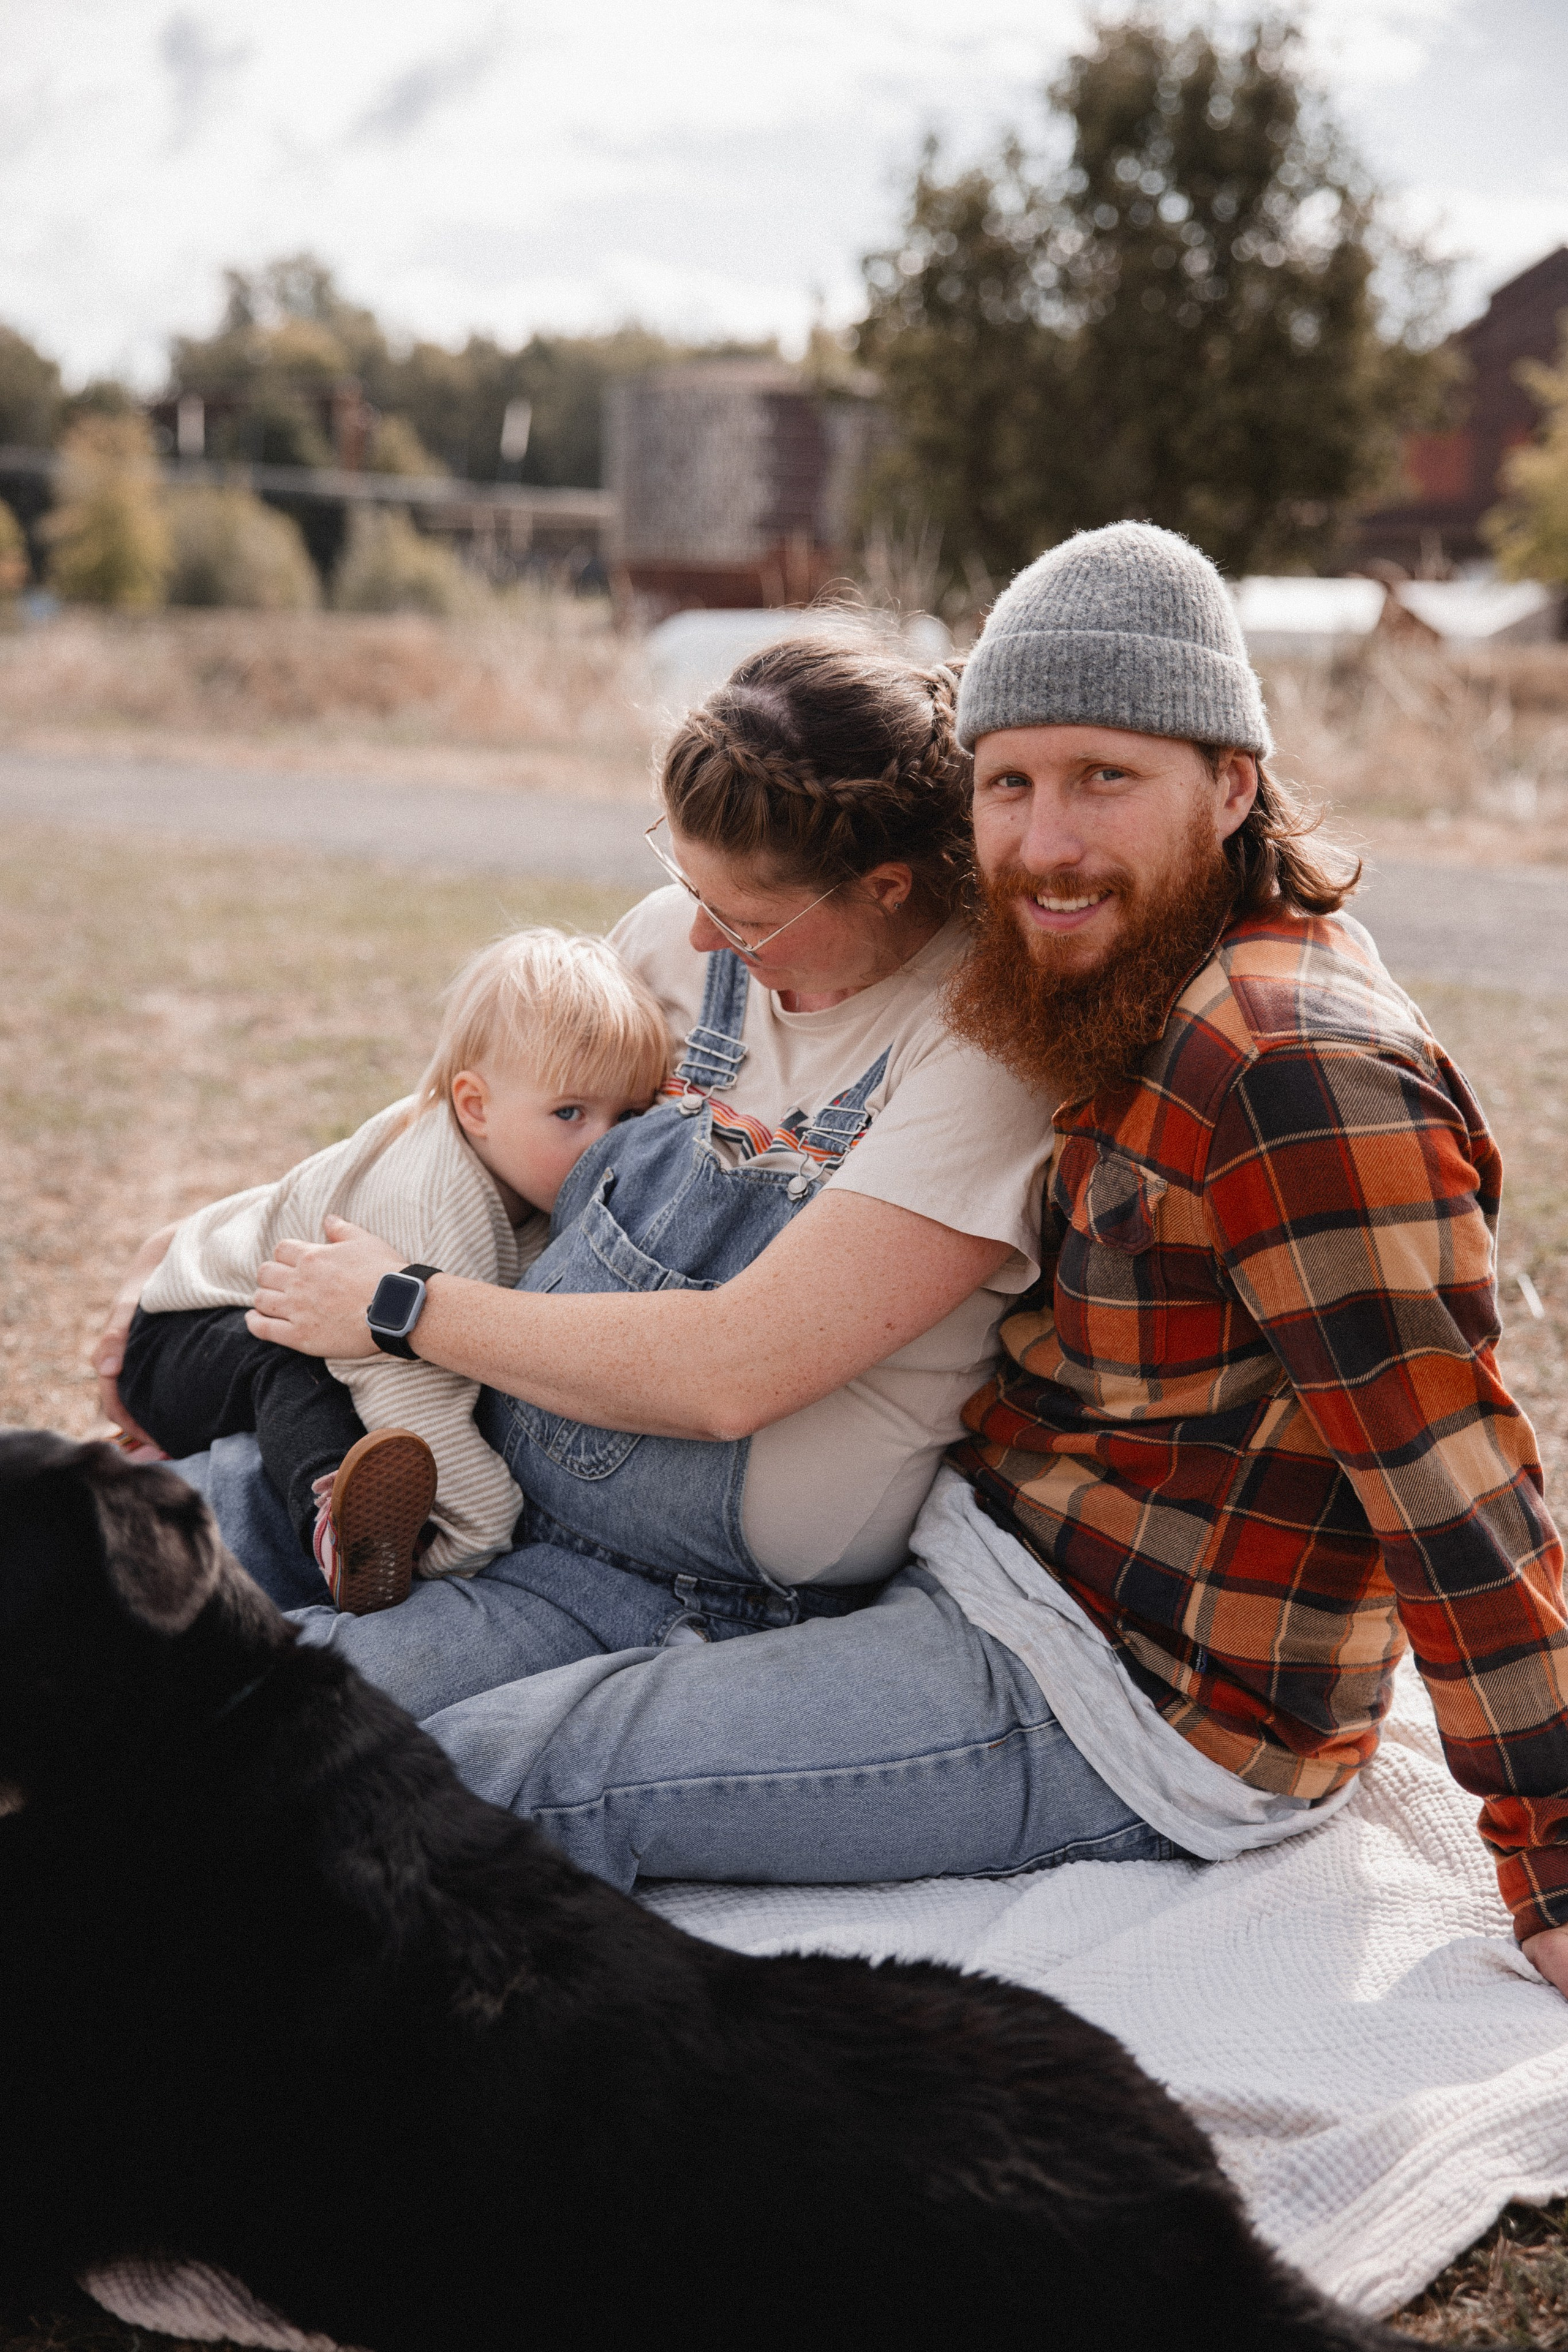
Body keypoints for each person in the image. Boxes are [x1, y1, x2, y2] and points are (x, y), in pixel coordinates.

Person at [216, 523, 1568, 2000]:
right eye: (1008, 784)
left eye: (1103, 777)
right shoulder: (1109, 964)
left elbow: (1447, 1476)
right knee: (314, 1682)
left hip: (1139, 1694)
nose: (1043, 840)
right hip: (975, 1564)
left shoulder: (1291, 1064)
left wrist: (1551, 1853)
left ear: (1229, 783)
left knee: (512, 1769)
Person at [96, 636, 1065, 1735]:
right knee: (62, 1571)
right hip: (446, 1463)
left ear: (885, 889)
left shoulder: (979, 1057)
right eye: (687, 886)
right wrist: (191, 1250)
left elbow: (733, 1374)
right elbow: (469, 1127)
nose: (695, 935)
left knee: (227, 1745)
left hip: (646, 1587)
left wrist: (401, 1305)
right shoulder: (674, 945)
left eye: (745, 919)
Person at [113, 929, 670, 1613]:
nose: (606, 1144)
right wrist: (478, 1530)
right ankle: (339, 1530)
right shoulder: (432, 1206)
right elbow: (409, 1388)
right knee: (293, 1357)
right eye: (570, 1113)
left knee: (321, 1357)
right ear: (476, 1106)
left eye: (631, 1114)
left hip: (252, 1325)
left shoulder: (526, 1173)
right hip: (182, 1336)